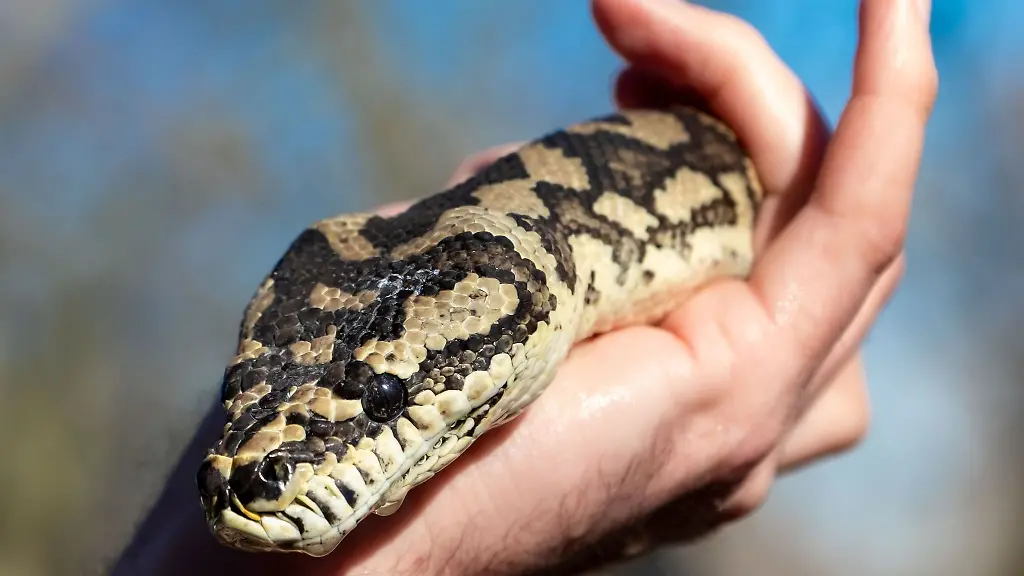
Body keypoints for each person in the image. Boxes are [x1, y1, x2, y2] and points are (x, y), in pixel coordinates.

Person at [113, 0, 937, 573]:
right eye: (242, 392)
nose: (255, 474)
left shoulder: (517, 261)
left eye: (387, 397)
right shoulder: (487, 269)